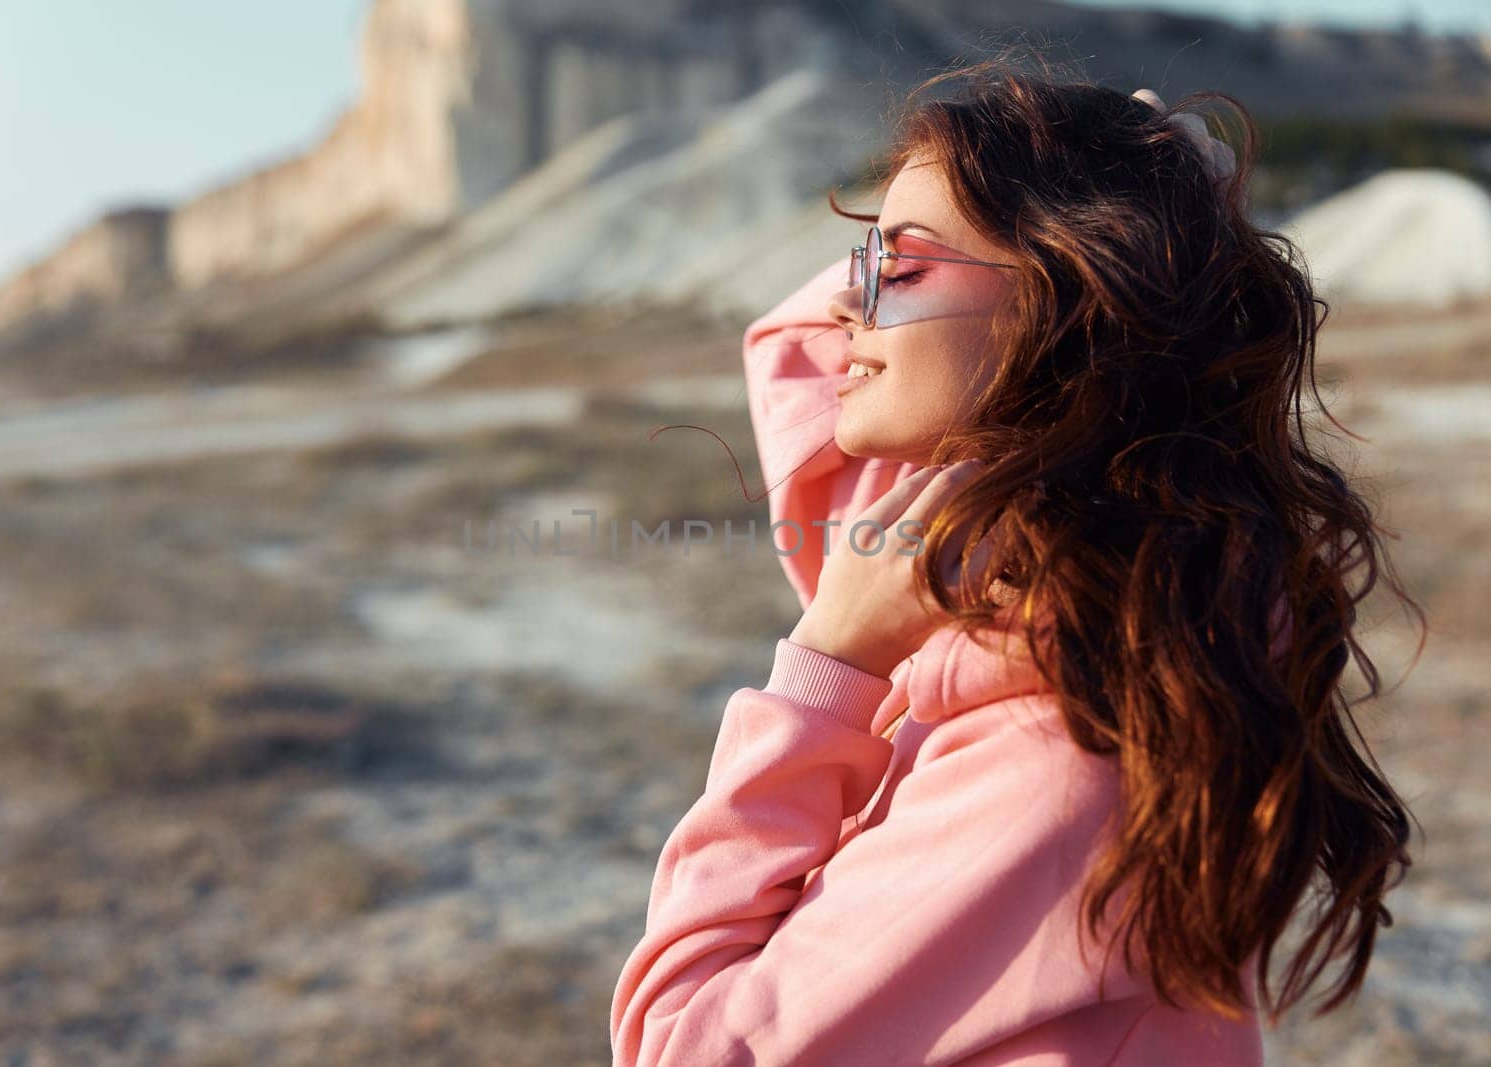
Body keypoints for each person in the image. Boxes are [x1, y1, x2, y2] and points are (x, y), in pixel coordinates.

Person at [609, 55, 1422, 1066]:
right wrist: (1156, 207)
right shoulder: (1070, 595)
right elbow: (797, 351)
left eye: (897, 269)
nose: (849, 306)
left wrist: (829, 665)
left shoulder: (1059, 743)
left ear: (1072, 300)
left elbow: (680, 1049)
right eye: (861, 263)